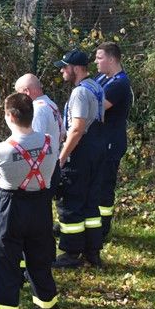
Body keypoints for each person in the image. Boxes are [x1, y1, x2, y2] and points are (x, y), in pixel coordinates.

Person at [0, 93, 60, 309]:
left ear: (11, 116)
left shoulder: (1, 149)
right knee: (40, 266)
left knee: (6, 269)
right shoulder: (48, 142)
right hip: (40, 208)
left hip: (11, 208)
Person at [52, 49, 106, 268]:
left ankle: (71, 253)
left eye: (65, 67)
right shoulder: (96, 86)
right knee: (91, 203)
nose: (63, 71)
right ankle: (92, 252)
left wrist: (62, 157)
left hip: (81, 152)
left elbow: (77, 128)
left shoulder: (80, 93)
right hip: (97, 149)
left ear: (76, 68)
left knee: (71, 200)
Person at [94, 42, 132, 240]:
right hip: (99, 141)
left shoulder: (119, 83)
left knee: (104, 185)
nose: (96, 62)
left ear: (112, 59)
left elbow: (95, 108)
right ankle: (91, 224)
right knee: (93, 182)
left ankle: (103, 228)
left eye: (99, 58)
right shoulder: (101, 78)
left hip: (111, 143)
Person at [13, 74, 65, 158]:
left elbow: (35, 142)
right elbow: (62, 132)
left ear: (27, 91)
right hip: (53, 159)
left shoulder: (37, 109)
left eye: (19, 93)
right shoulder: (51, 104)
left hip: (42, 164)